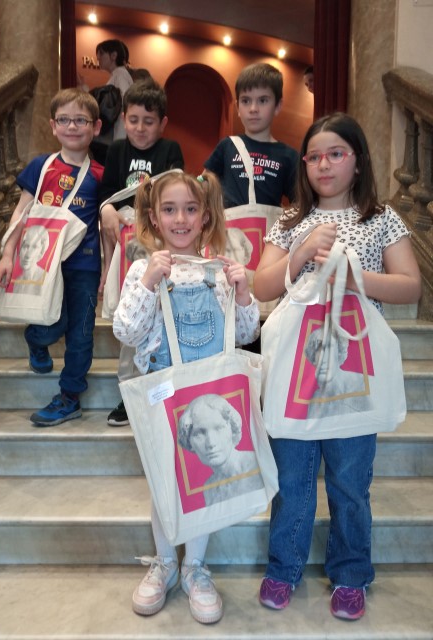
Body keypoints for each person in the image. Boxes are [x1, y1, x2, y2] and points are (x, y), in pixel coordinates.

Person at [253, 112, 421, 620]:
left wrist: (355, 277)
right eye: (314, 156)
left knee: (350, 481)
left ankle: (351, 574)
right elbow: (261, 286)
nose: (323, 165)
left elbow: (410, 286)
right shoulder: (290, 220)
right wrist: (301, 252)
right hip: (294, 371)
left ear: (357, 160)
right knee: (292, 478)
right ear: (303, 164)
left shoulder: (381, 217)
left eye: (336, 154)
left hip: (354, 371)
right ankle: (284, 567)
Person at [113, 170, 260, 624]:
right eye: (170, 210)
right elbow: (126, 330)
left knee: (203, 483)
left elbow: (245, 333)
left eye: (191, 209)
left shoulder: (220, 274)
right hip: (162, 395)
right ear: (154, 217)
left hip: (208, 397)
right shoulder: (142, 269)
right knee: (164, 483)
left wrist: (243, 293)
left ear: (205, 217)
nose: (181, 219)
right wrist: (147, 282)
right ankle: (165, 563)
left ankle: (195, 566)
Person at [0, 88, 112, 427]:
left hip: (84, 266)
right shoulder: (41, 167)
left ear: (96, 127)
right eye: (64, 119)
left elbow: (105, 225)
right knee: (50, 326)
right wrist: (7, 254)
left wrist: (106, 268)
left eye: (81, 120)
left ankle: (69, 397)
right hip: (43, 264)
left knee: (81, 333)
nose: (72, 126)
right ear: (53, 125)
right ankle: (35, 340)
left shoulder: (100, 175)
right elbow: (21, 213)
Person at [99, 79, 184, 427]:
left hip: (159, 249)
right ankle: (129, 395)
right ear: (123, 119)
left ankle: (162, 392)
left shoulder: (171, 149)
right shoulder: (117, 150)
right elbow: (107, 195)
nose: (140, 128)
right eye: (133, 120)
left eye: (148, 121)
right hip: (126, 250)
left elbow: (176, 190)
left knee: (159, 322)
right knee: (132, 319)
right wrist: (106, 209)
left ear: (162, 123)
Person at [204, 62, 298, 211]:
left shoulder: (289, 156)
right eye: (246, 101)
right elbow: (204, 182)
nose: (253, 109)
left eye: (263, 100)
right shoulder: (227, 146)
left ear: (278, 106)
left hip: (269, 226)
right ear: (238, 107)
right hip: (227, 225)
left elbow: (300, 204)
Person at [178, 394, 263, 506]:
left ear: (232, 429)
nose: (211, 443)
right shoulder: (209, 489)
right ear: (189, 442)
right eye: (199, 433)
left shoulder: (258, 465)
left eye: (218, 428)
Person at [95, 39, 133, 141]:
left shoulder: (120, 74)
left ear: (113, 55)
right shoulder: (117, 74)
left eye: (101, 53)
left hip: (120, 129)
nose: (98, 57)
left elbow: (126, 99)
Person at [12, 225, 50, 295]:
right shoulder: (17, 281)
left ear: (41, 252)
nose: (28, 255)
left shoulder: (46, 279)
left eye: (34, 247)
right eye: (26, 246)